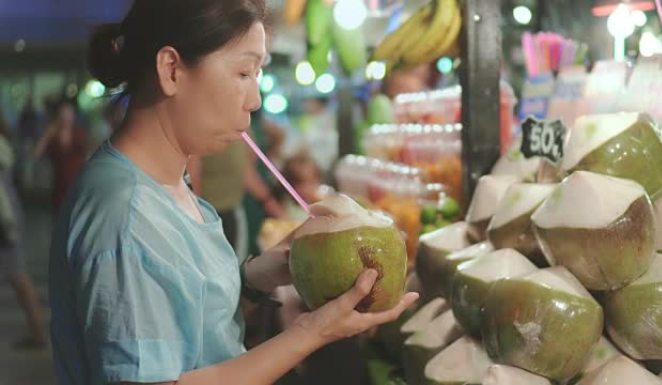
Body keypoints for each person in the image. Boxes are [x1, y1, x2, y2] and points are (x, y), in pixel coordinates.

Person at [48, 1, 418, 385]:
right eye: (244, 71)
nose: (255, 99)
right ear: (171, 70)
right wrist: (313, 332)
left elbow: (186, 317)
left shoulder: (167, 184)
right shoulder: (125, 215)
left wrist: (261, 274)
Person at [0, 107, 47, 349]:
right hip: (7, 216)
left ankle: (38, 332)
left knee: (18, 276)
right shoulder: (4, 143)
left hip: (4, 219)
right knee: (18, 275)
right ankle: (37, 331)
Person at [34, 98, 89, 214]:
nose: (66, 117)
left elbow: (88, 153)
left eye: (69, 113)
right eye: (63, 113)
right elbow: (37, 153)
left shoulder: (78, 133)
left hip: (77, 182)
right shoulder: (53, 134)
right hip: (59, 185)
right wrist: (47, 134)